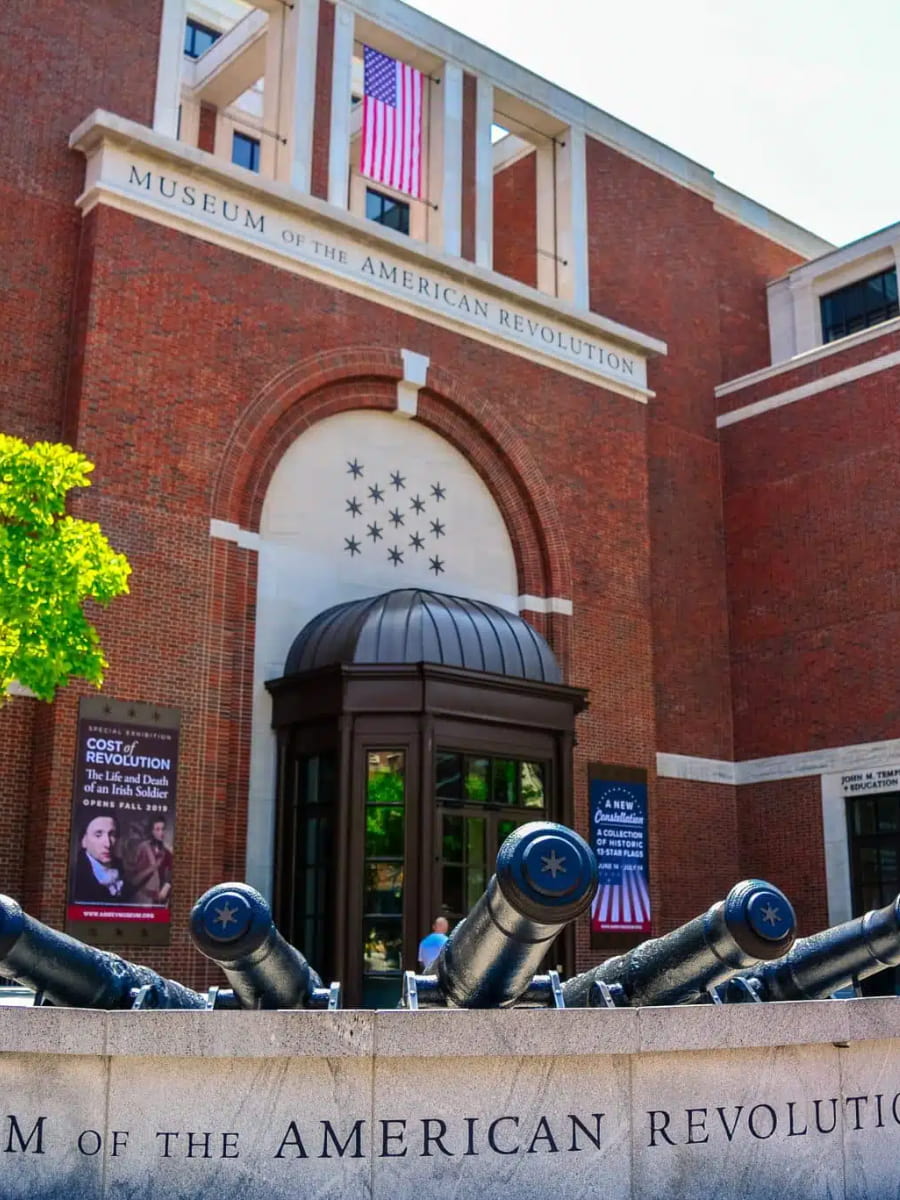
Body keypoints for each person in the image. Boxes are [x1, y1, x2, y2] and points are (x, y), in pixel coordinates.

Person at [72, 814, 127, 903]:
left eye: (112, 834)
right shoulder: (76, 873)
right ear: (83, 841)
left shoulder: (121, 867)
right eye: (98, 835)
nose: (108, 844)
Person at [124, 818, 173, 906]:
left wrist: (166, 888)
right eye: (157, 829)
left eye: (163, 829)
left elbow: (170, 873)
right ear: (151, 831)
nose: (161, 832)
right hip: (143, 897)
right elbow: (134, 877)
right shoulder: (143, 848)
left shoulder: (166, 851)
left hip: (158, 899)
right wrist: (153, 867)